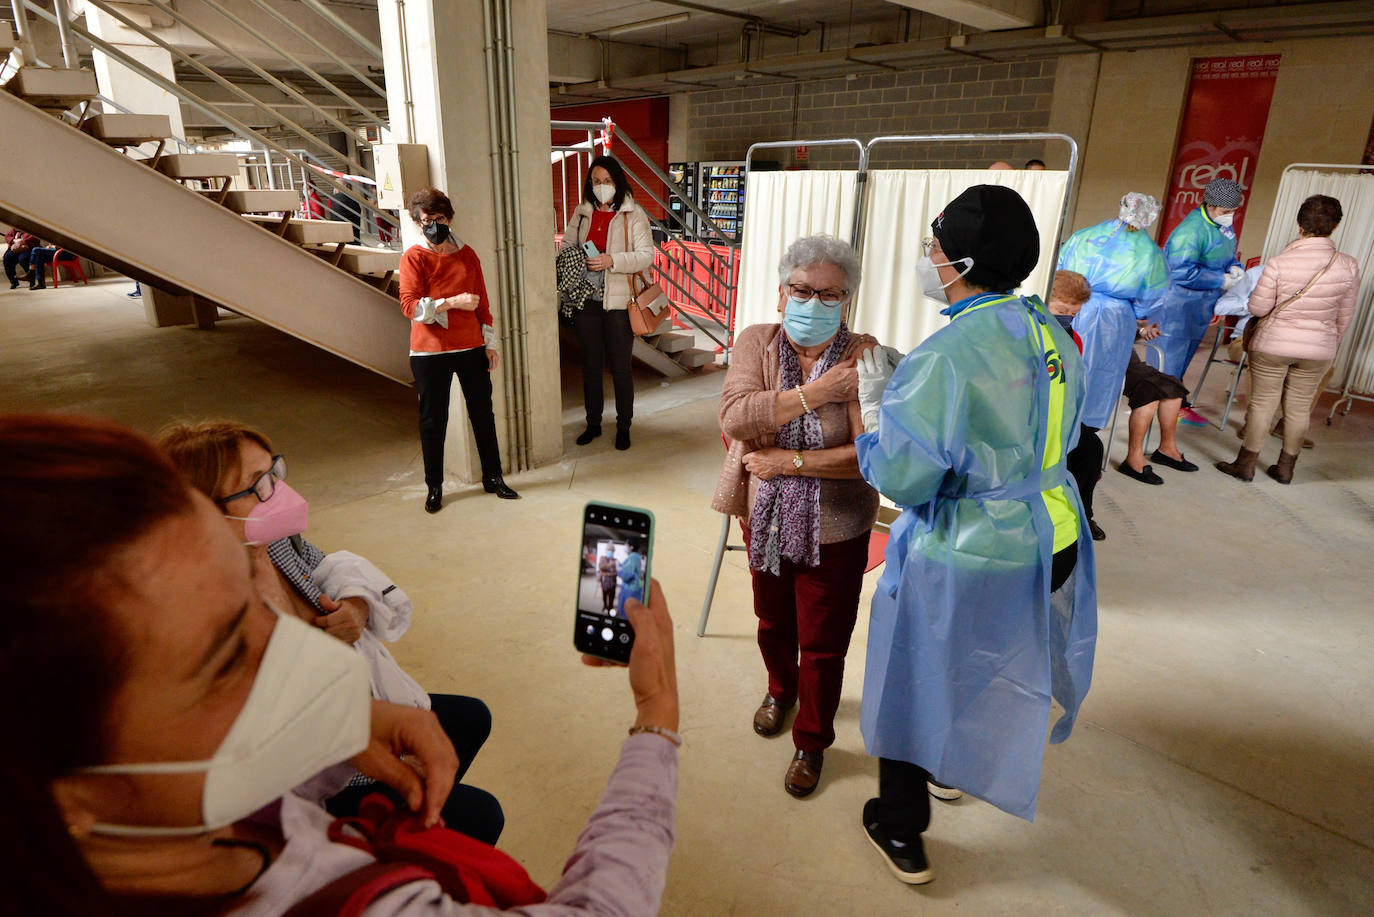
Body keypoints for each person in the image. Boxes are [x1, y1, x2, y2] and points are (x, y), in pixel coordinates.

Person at [1, 412, 681, 915]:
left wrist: (345, 723)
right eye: (227, 656)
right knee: (477, 808)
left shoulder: (188, 818)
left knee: (461, 723)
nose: (285, 648)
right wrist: (657, 715)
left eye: (253, 597)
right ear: (63, 792)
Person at [854, 185, 1096, 885]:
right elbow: (1061, 430)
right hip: (1050, 534)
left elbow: (905, 478)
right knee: (977, 662)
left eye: (933, 247)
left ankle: (899, 826)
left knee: (913, 673)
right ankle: (947, 762)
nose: (927, 258)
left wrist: (880, 410)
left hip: (971, 549)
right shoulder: (1049, 329)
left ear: (959, 261)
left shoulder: (947, 355)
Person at [155, 420, 503, 844]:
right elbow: (273, 749)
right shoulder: (204, 617)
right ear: (204, 512)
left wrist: (356, 606)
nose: (277, 493)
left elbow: (327, 567)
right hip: (320, 772)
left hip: (357, 708)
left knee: (470, 718)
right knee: (482, 814)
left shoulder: (273, 541)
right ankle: (396, 840)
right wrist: (381, 763)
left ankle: (419, 824)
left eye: (275, 473)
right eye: (257, 485)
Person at [713, 234, 879, 799]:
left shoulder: (865, 353)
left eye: (829, 295)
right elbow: (736, 417)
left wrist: (788, 460)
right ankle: (780, 690)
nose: (813, 303)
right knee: (772, 620)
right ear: (781, 293)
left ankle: (812, 740)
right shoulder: (756, 342)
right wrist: (819, 393)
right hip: (764, 517)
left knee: (824, 641)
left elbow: (870, 455)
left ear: (846, 301)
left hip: (837, 525)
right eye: (802, 290)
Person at [1216, 194, 1360, 484]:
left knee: (1263, 403)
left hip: (1273, 345)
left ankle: (1245, 465)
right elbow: (1344, 316)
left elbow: (1257, 308)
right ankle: (1285, 468)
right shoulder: (1349, 265)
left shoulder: (1280, 262)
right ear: (1335, 226)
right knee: (1298, 407)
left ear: (1299, 225)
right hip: (1319, 350)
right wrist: (1327, 342)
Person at [400, 186, 518, 513]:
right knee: (433, 420)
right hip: (429, 352)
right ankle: (434, 487)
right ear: (418, 224)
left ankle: (493, 478)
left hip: (470, 346)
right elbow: (410, 307)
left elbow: (483, 304)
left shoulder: (468, 255)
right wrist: (452, 302)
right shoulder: (414, 258)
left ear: (448, 218)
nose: (432, 225)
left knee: (483, 414)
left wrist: (490, 344)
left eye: (437, 218)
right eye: (425, 221)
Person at [559, 156, 654, 451]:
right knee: (590, 366)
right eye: (596, 181)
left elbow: (646, 255)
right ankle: (593, 423)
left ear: (618, 181)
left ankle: (624, 425)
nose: (601, 187)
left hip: (619, 303)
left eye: (607, 181)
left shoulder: (633, 213)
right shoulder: (583, 212)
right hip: (587, 300)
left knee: (620, 367)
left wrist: (611, 260)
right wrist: (577, 261)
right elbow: (567, 246)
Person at [1057, 193, 1169, 434]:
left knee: (1065, 366)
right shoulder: (1150, 253)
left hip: (1072, 309)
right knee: (1102, 375)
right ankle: (1087, 429)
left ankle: (1057, 421)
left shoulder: (1084, 236)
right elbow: (1152, 297)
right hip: (1116, 320)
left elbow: (1059, 271)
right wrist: (1138, 316)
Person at [1154, 178, 1246, 421]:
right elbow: (1180, 271)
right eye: (1226, 211)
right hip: (1179, 306)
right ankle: (1164, 406)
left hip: (1200, 307)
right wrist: (1220, 280)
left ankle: (1175, 402)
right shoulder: (1191, 231)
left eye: (1233, 211)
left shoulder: (1222, 227)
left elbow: (1228, 254)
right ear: (1211, 205)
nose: (1230, 216)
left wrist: (1235, 267)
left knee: (1183, 360)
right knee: (1170, 361)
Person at [1049, 270, 1106, 541]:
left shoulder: (1074, 339)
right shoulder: (1024, 332)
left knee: (1091, 448)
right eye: (1061, 310)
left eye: (1073, 314)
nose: (1066, 318)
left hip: (1060, 413)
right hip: (1029, 416)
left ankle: (1084, 513)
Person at [1115, 322, 1198, 485]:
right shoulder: (1097, 304)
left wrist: (1142, 332)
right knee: (1149, 392)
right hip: (1106, 363)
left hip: (1130, 362)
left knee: (1173, 387)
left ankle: (1167, 449)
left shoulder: (1120, 307)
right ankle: (1133, 458)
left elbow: (1123, 333)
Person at [616, 539, 646, 618]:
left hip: (630, 590)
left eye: (626, 545)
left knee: (627, 614)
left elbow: (626, 576)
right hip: (636, 588)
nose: (625, 547)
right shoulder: (637, 557)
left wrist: (618, 568)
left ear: (631, 547)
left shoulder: (632, 557)